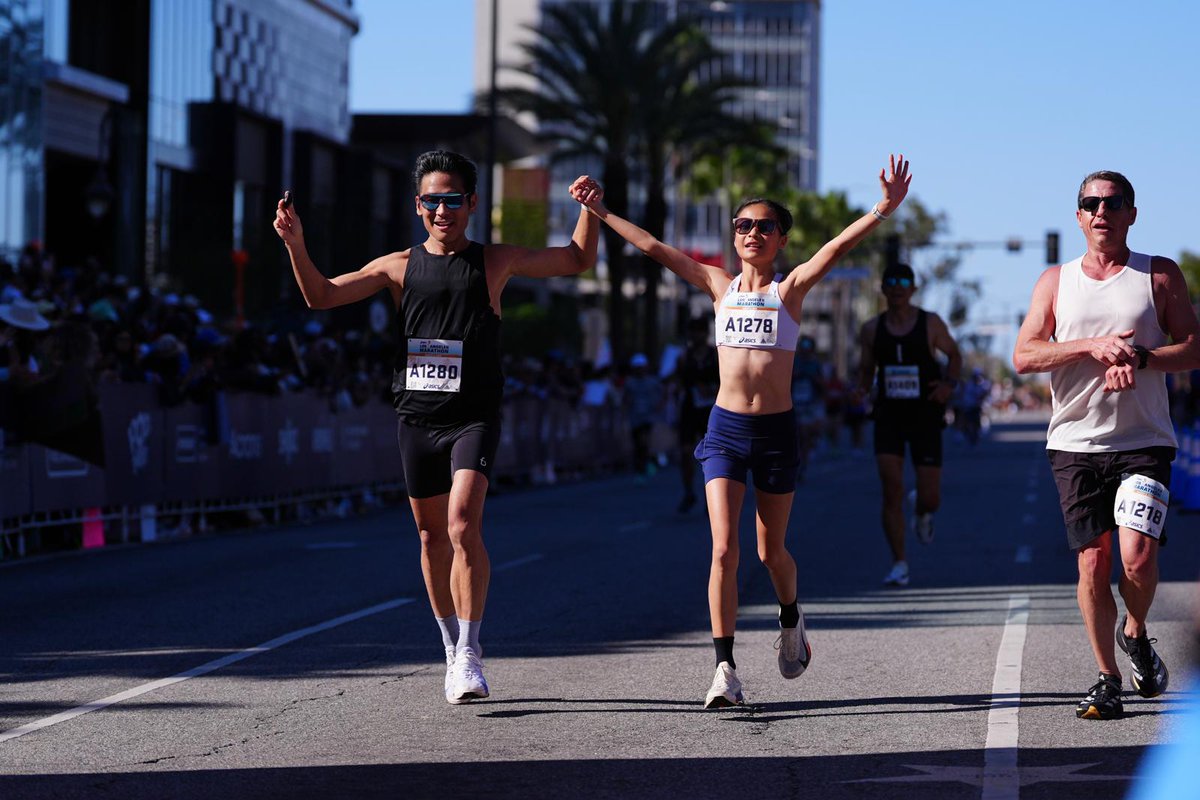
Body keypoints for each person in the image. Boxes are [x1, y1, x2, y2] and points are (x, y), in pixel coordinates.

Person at [577, 154, 911, 707]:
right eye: (743, 226)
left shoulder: (791, 290)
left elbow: (837, 248)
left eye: (764, 227)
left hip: (777, 433)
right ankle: (724, 669)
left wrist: (883, 208)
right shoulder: (717, 284)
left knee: (769, 551)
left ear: (780, 240)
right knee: (724, 550)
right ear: (734, 237)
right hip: (725, 429)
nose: (752, 233)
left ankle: (790, 618)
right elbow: (655, 248)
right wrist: (602, 210)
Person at [274, 151, 602, 704]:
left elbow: (574, 260)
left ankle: (471, 653)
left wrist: (590, 210)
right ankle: (450, 646)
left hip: (473, 416)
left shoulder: (494, 261)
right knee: (430, 538)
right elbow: (322, 295)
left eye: (453, 199)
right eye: (432, 200)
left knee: (460, 524)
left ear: (473, 204)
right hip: (418, 417)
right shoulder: (398, 266)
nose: (442, 210)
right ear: (418, 206)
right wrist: (294, 243)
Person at [1013, 170, 1200, 720]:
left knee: (1137, 560)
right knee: (1093, 565)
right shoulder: (1056, 281)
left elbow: (1192, 349)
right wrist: (1091, 347)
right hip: (1074, 441)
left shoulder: (1158, 275)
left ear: (1131, 213)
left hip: (1144, 440)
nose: (1101, 211)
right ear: (1078, 216)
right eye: (1090, 203)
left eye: (1112, 202)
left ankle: (1136, 629)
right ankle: (1107, 676)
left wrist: (1140, 358)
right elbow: (1025, 355)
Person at [856, 263, 961, 588]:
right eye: (891, 281)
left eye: (904, 281)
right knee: (891, 488)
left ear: (913, 289)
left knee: (931, 497)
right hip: (889, 414)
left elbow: (955, 356)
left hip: (925, 415)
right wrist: (859, 390)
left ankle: (922, 510)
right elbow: (866, 368)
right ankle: (899, 563)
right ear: (884, 288)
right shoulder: (872, 329)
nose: (898, 286)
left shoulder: (929, 323)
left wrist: (947, 386)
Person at [673, 317, 719, 511]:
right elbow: (678, 382)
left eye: (699, 331)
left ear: (705, 333)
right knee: (685, 452)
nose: (695, 335)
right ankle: (688, 492)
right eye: (692, 331)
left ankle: (710, 497)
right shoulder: (684, 357)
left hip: (710, 410)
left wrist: (712, 389)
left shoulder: (715, 355)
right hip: (690, 409)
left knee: (709, 456)